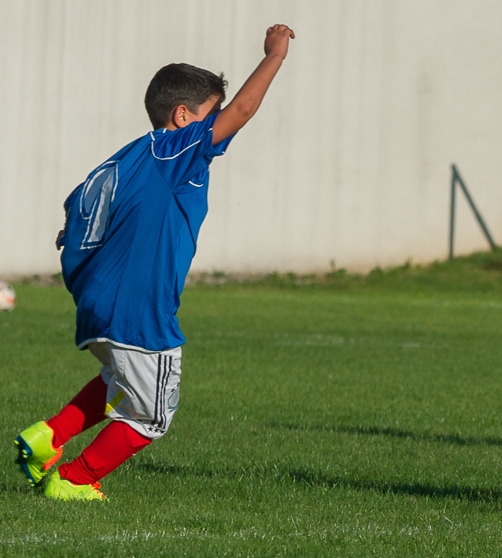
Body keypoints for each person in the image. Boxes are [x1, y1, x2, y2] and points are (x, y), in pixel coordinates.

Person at [14, 24, 295, 501]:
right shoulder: (173, 151)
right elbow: (244, 110)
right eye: (211, 114)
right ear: (183, 116)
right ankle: (76, 479)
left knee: (119, 383)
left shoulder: (122, 160)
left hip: (98, 307)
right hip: (138, 309)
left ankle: (48, 437)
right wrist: (275, 55)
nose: (218, 123)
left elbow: (74, 215)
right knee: (151, 415)